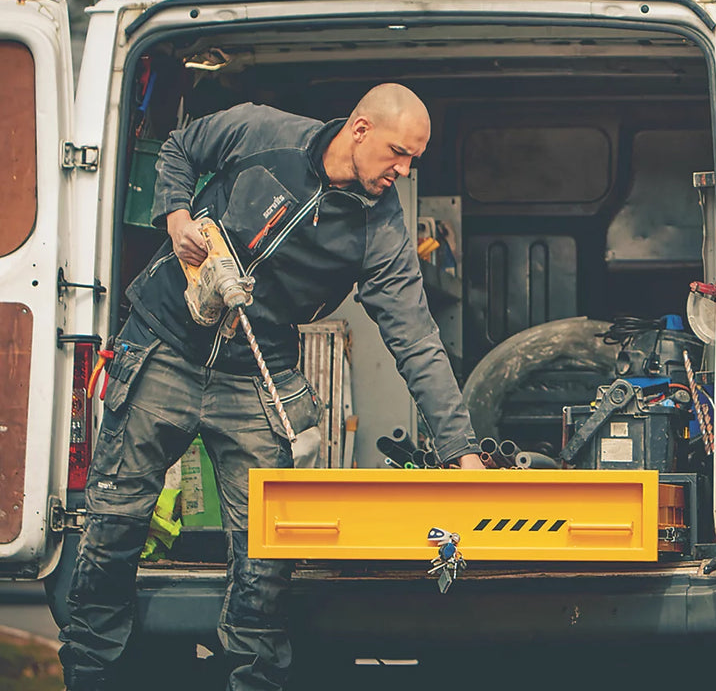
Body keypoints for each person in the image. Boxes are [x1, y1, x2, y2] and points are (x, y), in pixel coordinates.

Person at [58, 83, 483, 691]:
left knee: (265, 553)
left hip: (258, 370)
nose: (404, 170)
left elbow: (417, 338)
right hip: (166, 342)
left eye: (414, 159)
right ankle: (90, 676)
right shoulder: (263, 132)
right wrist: (176, 214)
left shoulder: (382, 229)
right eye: (397, 152)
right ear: (359, 130)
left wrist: (459, 450)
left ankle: (252, 681)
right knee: (115, 522)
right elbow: (178, 147)